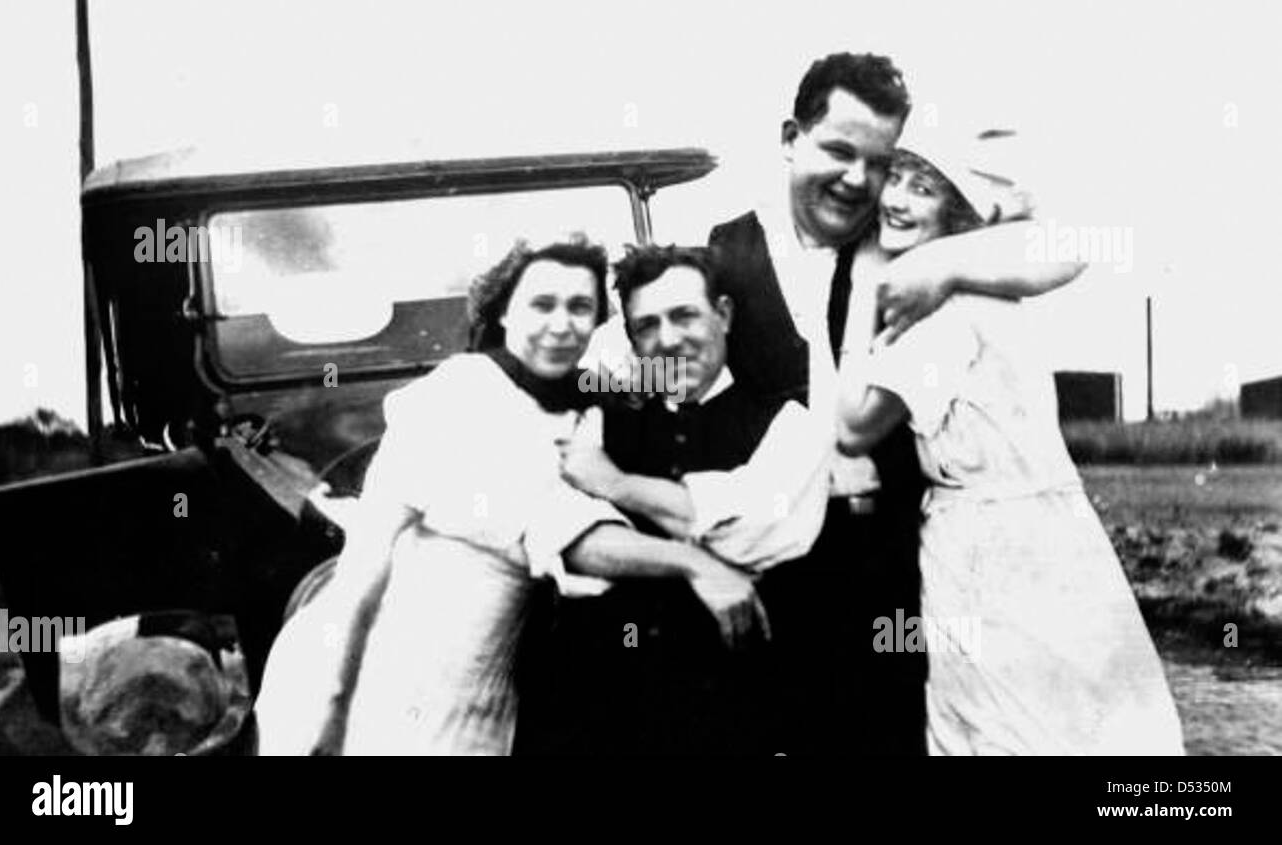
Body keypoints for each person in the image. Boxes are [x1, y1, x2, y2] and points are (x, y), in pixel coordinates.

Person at [704, 52, 1088, 755]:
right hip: (769, 582)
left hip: (889, 583)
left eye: (878, 162)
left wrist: (940, 264)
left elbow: (1072, 245)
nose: (859, 180)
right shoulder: (724, 253)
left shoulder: (912, 246)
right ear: (792, 138)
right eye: (838, 151)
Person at [254, 235, 768, 756]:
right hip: (382, 681)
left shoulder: (579, 400)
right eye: (542, 305)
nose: (562, 324)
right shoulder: (465, 392)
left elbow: (662, 379)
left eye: (580, 307)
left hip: (481, 699)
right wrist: (699, 564)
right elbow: (565, 536)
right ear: (504, 314)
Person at [836, 130, 1185, 755]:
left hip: (984, 545)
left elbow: (852, 425)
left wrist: (868, 283)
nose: (898, 199)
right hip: (1048, 529)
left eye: (924, 189)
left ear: (954, 217)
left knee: (996, 721)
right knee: (1077, 710)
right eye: (898, 179)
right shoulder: (992, 292)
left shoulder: (938, 312)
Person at [537, 244, 829, 754]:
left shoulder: (791, 425)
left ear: (724, 314)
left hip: (741, 717)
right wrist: (694, 564)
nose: (668, 340)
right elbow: (570, 540)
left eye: (685, 315)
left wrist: (613, 484)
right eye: (646, 325)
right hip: (612, 715)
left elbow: (749, 532)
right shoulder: (603, 421)